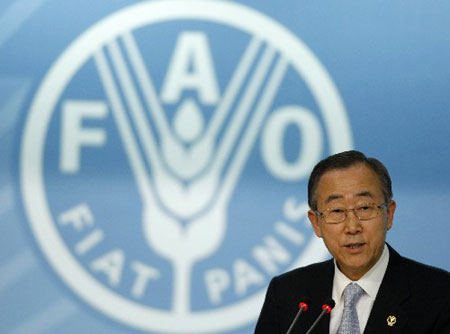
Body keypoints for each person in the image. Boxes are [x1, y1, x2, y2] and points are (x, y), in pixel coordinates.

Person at [254, 150, 450, 334]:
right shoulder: (287, 294)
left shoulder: (439, 295)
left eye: (365, 208)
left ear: (388, 214)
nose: (352, 227)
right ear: (316, 223)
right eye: (337, 211)